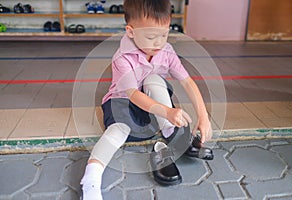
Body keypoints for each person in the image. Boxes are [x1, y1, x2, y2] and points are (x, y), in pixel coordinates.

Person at [80, 0, 213, 199]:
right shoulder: (122, 57)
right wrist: (167, 111)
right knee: (118, 131)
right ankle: (90, 179)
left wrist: (204, 117)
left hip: (154, 110)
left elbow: (187, 82)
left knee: (153, 79)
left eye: (165, 34)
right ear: (131, 32)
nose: (159, 43)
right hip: (122, 103)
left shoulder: (166, 51)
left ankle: (172, 133)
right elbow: (133, 94)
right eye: (151, 37)